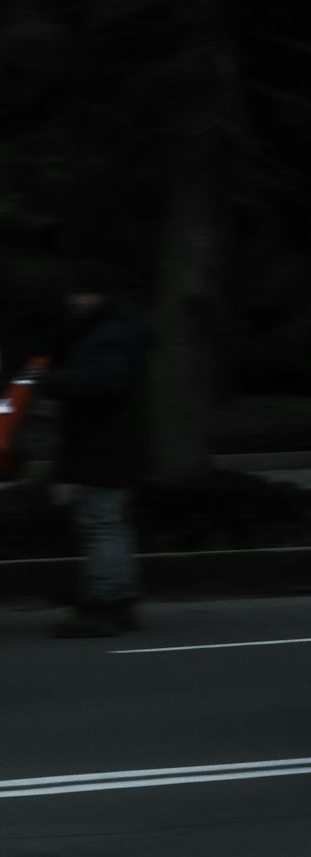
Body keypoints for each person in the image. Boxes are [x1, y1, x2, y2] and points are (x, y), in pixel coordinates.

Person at [27, 262, 150, 637]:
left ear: (101, 295)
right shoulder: (106, 328)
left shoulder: (110, 331)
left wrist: (54, 382)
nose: (77, 300)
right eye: (75, 293)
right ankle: (117, 599)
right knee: (108, 523)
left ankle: (106, 605)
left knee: (102, 524)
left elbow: (106, 382)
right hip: (104, 443)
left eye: (85, 292)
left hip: (105, 444)